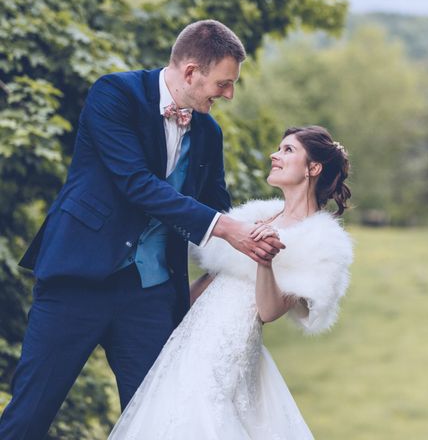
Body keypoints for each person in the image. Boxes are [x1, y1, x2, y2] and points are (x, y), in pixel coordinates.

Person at [0, 20, 285, 439]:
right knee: (28, 416)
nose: (229, 94)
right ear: (191, 72)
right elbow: (135, 184)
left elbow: (216, 204)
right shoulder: (114, 93)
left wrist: (266, 225)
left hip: (150, 296)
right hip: (77, 279)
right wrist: (225, 227)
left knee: (159, 421)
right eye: (224, 83)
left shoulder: (209, 131)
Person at [108, 126, 353, 439]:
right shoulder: (255, 217)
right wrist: (167, 317)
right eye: (278, 148)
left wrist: (264, 261)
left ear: (313, 168)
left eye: (288, 150)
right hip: (191, 338)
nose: (274, 156)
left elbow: (268, 311)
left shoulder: (318, 240)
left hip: (230, 347)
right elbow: (214, 280)